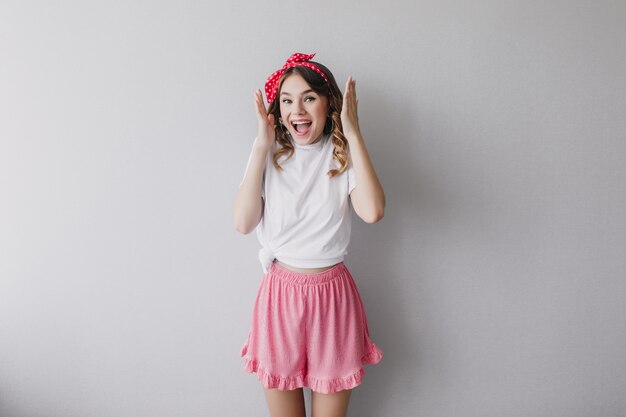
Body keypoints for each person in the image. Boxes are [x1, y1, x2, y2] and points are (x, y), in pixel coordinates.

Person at [233, 52, 385, 417]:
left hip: (332, 299)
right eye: (287, 100)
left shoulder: (342, 156)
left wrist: (353, 133)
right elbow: (243, 222)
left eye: (308, 98)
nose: (296, 110)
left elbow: (373, 211)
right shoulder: (270, 156)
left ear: (328, 102)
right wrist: (260, 145)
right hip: (280, 297)